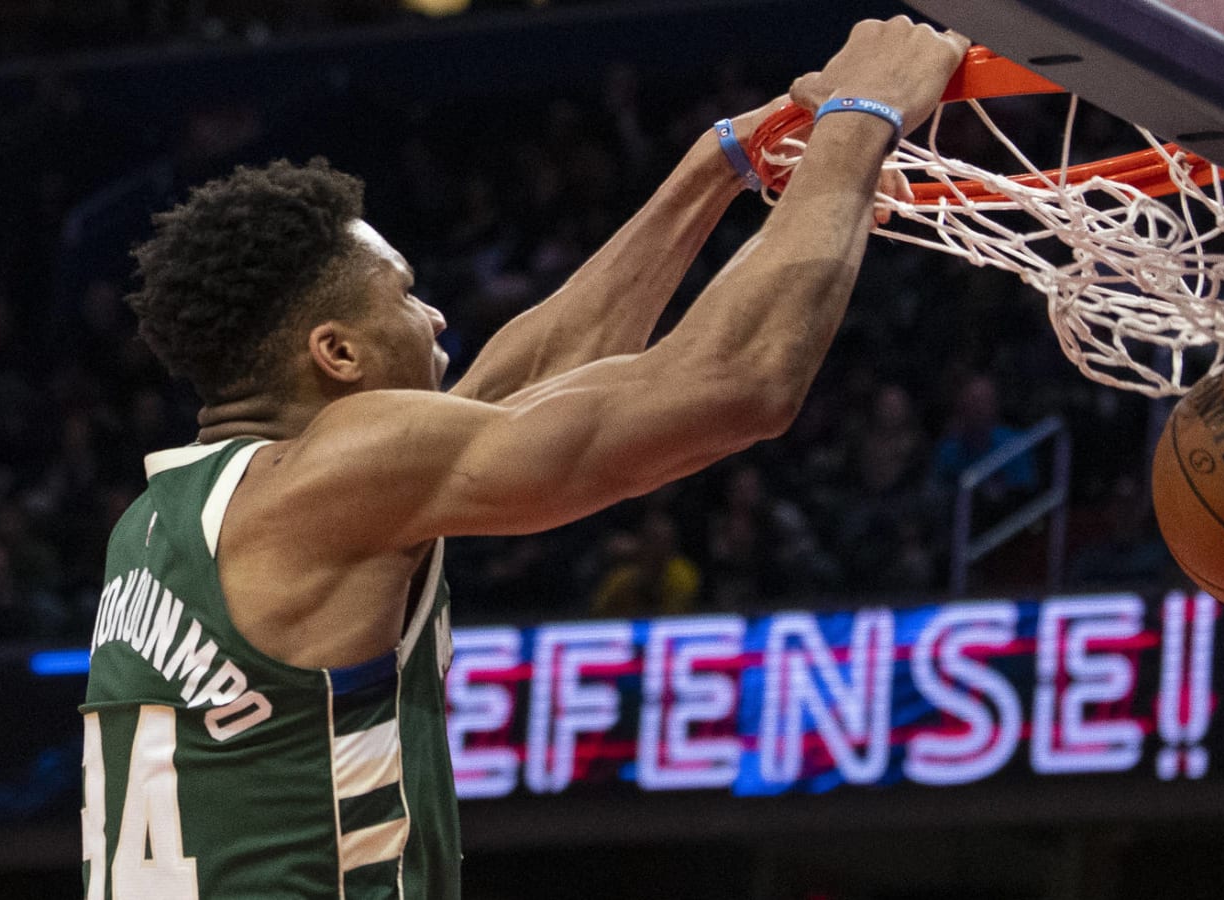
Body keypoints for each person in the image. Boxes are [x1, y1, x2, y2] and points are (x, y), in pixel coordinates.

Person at [79, 18, 968, 899]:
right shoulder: (334, 473)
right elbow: (738, 382)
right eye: (405, 294)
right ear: (337, 354)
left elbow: (525, 384)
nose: (432, 318)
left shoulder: (176, 515)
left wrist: (716, 168)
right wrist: (863, 113)